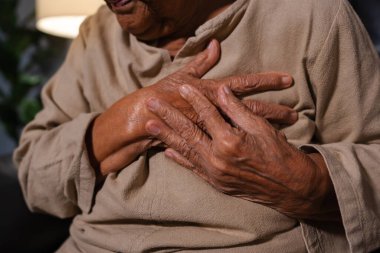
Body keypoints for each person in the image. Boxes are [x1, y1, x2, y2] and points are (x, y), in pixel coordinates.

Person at [13, 0, 380, 252]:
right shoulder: (97, 33)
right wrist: (136, 115)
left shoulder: (312, 15)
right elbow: (34, 178)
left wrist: (308, 183)